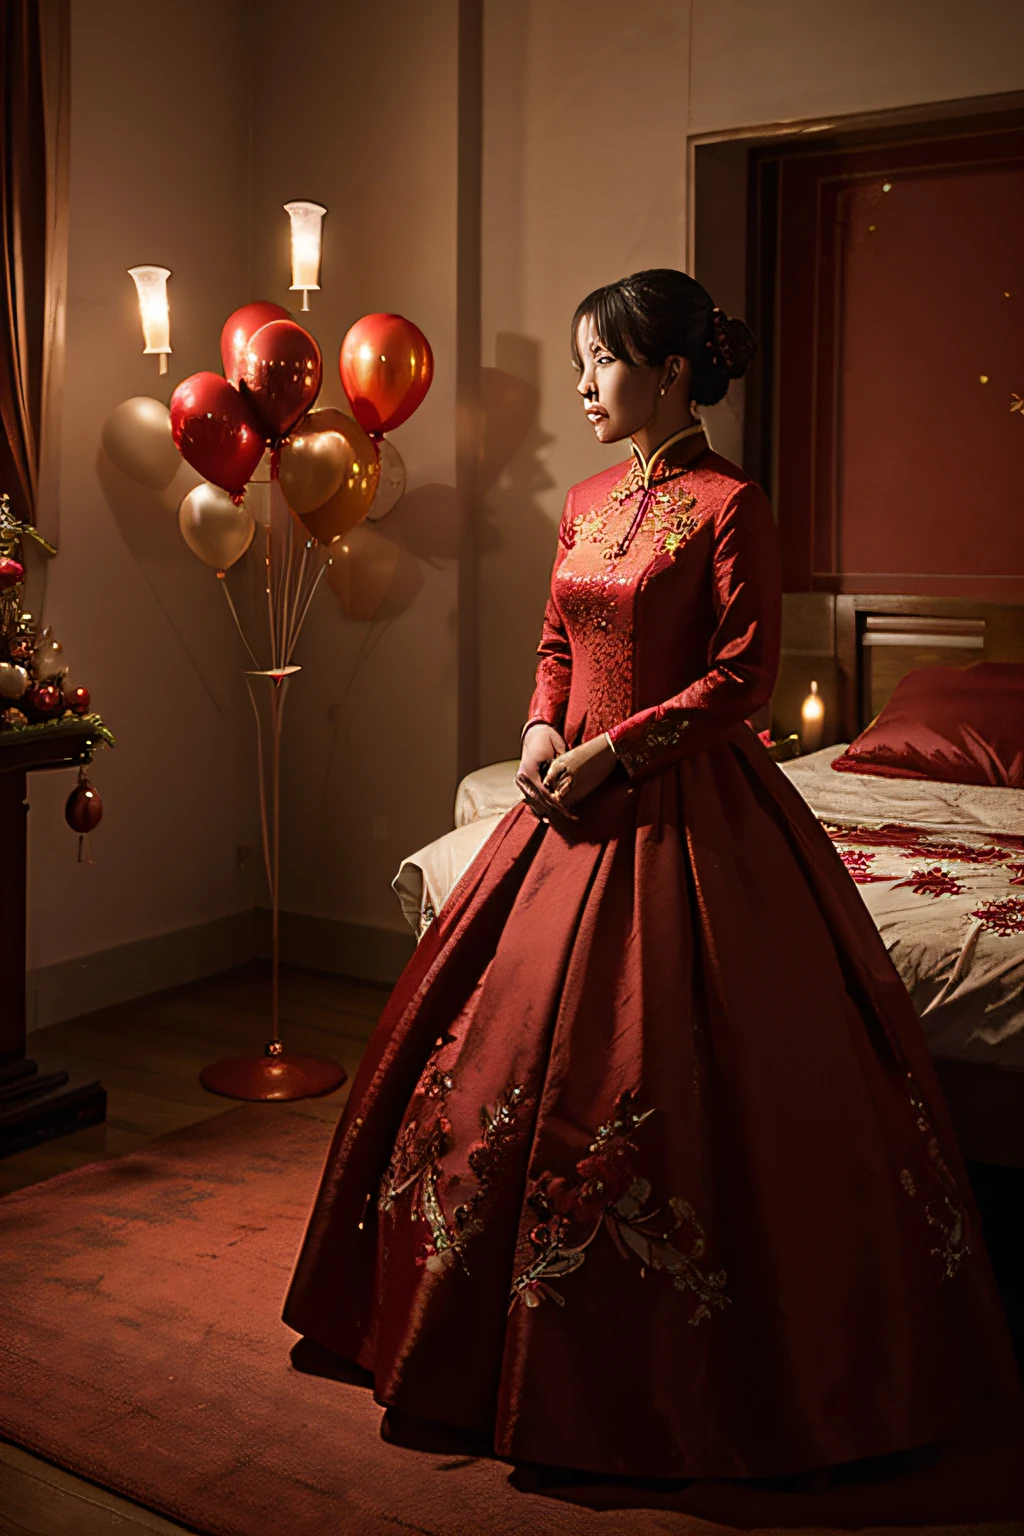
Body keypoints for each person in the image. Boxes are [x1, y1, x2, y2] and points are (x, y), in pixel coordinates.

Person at [284, 269, 1019, 1480]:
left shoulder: (732, 504)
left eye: (602, 361)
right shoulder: (582, 501)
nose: (581, 383)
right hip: (564, 792)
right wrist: (537, 736)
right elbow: (553, 643)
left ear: (672, 372)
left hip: (682, 803)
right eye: (579, 360)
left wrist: (610, 754)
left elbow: (740, 680)